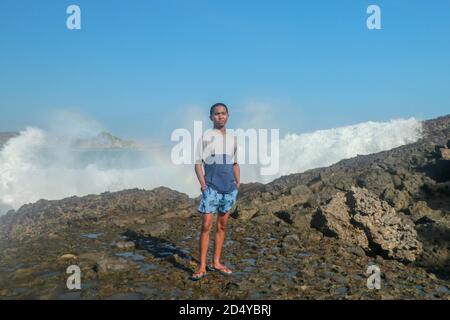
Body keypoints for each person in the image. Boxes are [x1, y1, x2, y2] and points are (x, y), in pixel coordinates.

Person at [191, 102, 240, 281]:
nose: (220, 116)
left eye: (223, 113)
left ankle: (216, 262)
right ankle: (202, 266)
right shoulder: (205, 137)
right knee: (206, 227)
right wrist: (203, 186)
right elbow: (197, 164)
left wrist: (238, 183)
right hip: (211, 189)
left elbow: (235, 163)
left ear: (228, 116)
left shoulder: (233, 138)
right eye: (217, 114)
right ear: (211, 117)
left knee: (222, 226)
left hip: (229, 189)